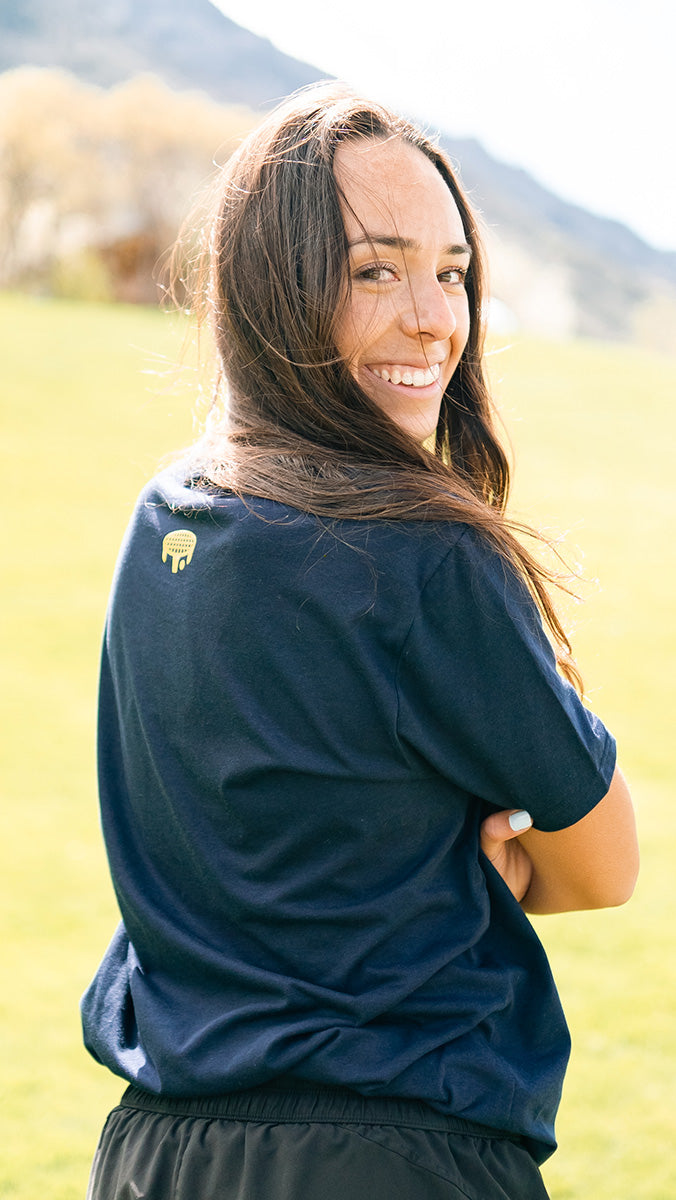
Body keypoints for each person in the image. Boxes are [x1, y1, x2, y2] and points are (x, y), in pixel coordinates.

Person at [82, 83, 639, 1200]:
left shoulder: (166, 520)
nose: (434, 319)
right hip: (386, 1155)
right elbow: (605, 863)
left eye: (452, 272)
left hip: (155, 1157)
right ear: (273, 285)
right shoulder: (417, 553)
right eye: (375, 270)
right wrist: (476, 868)